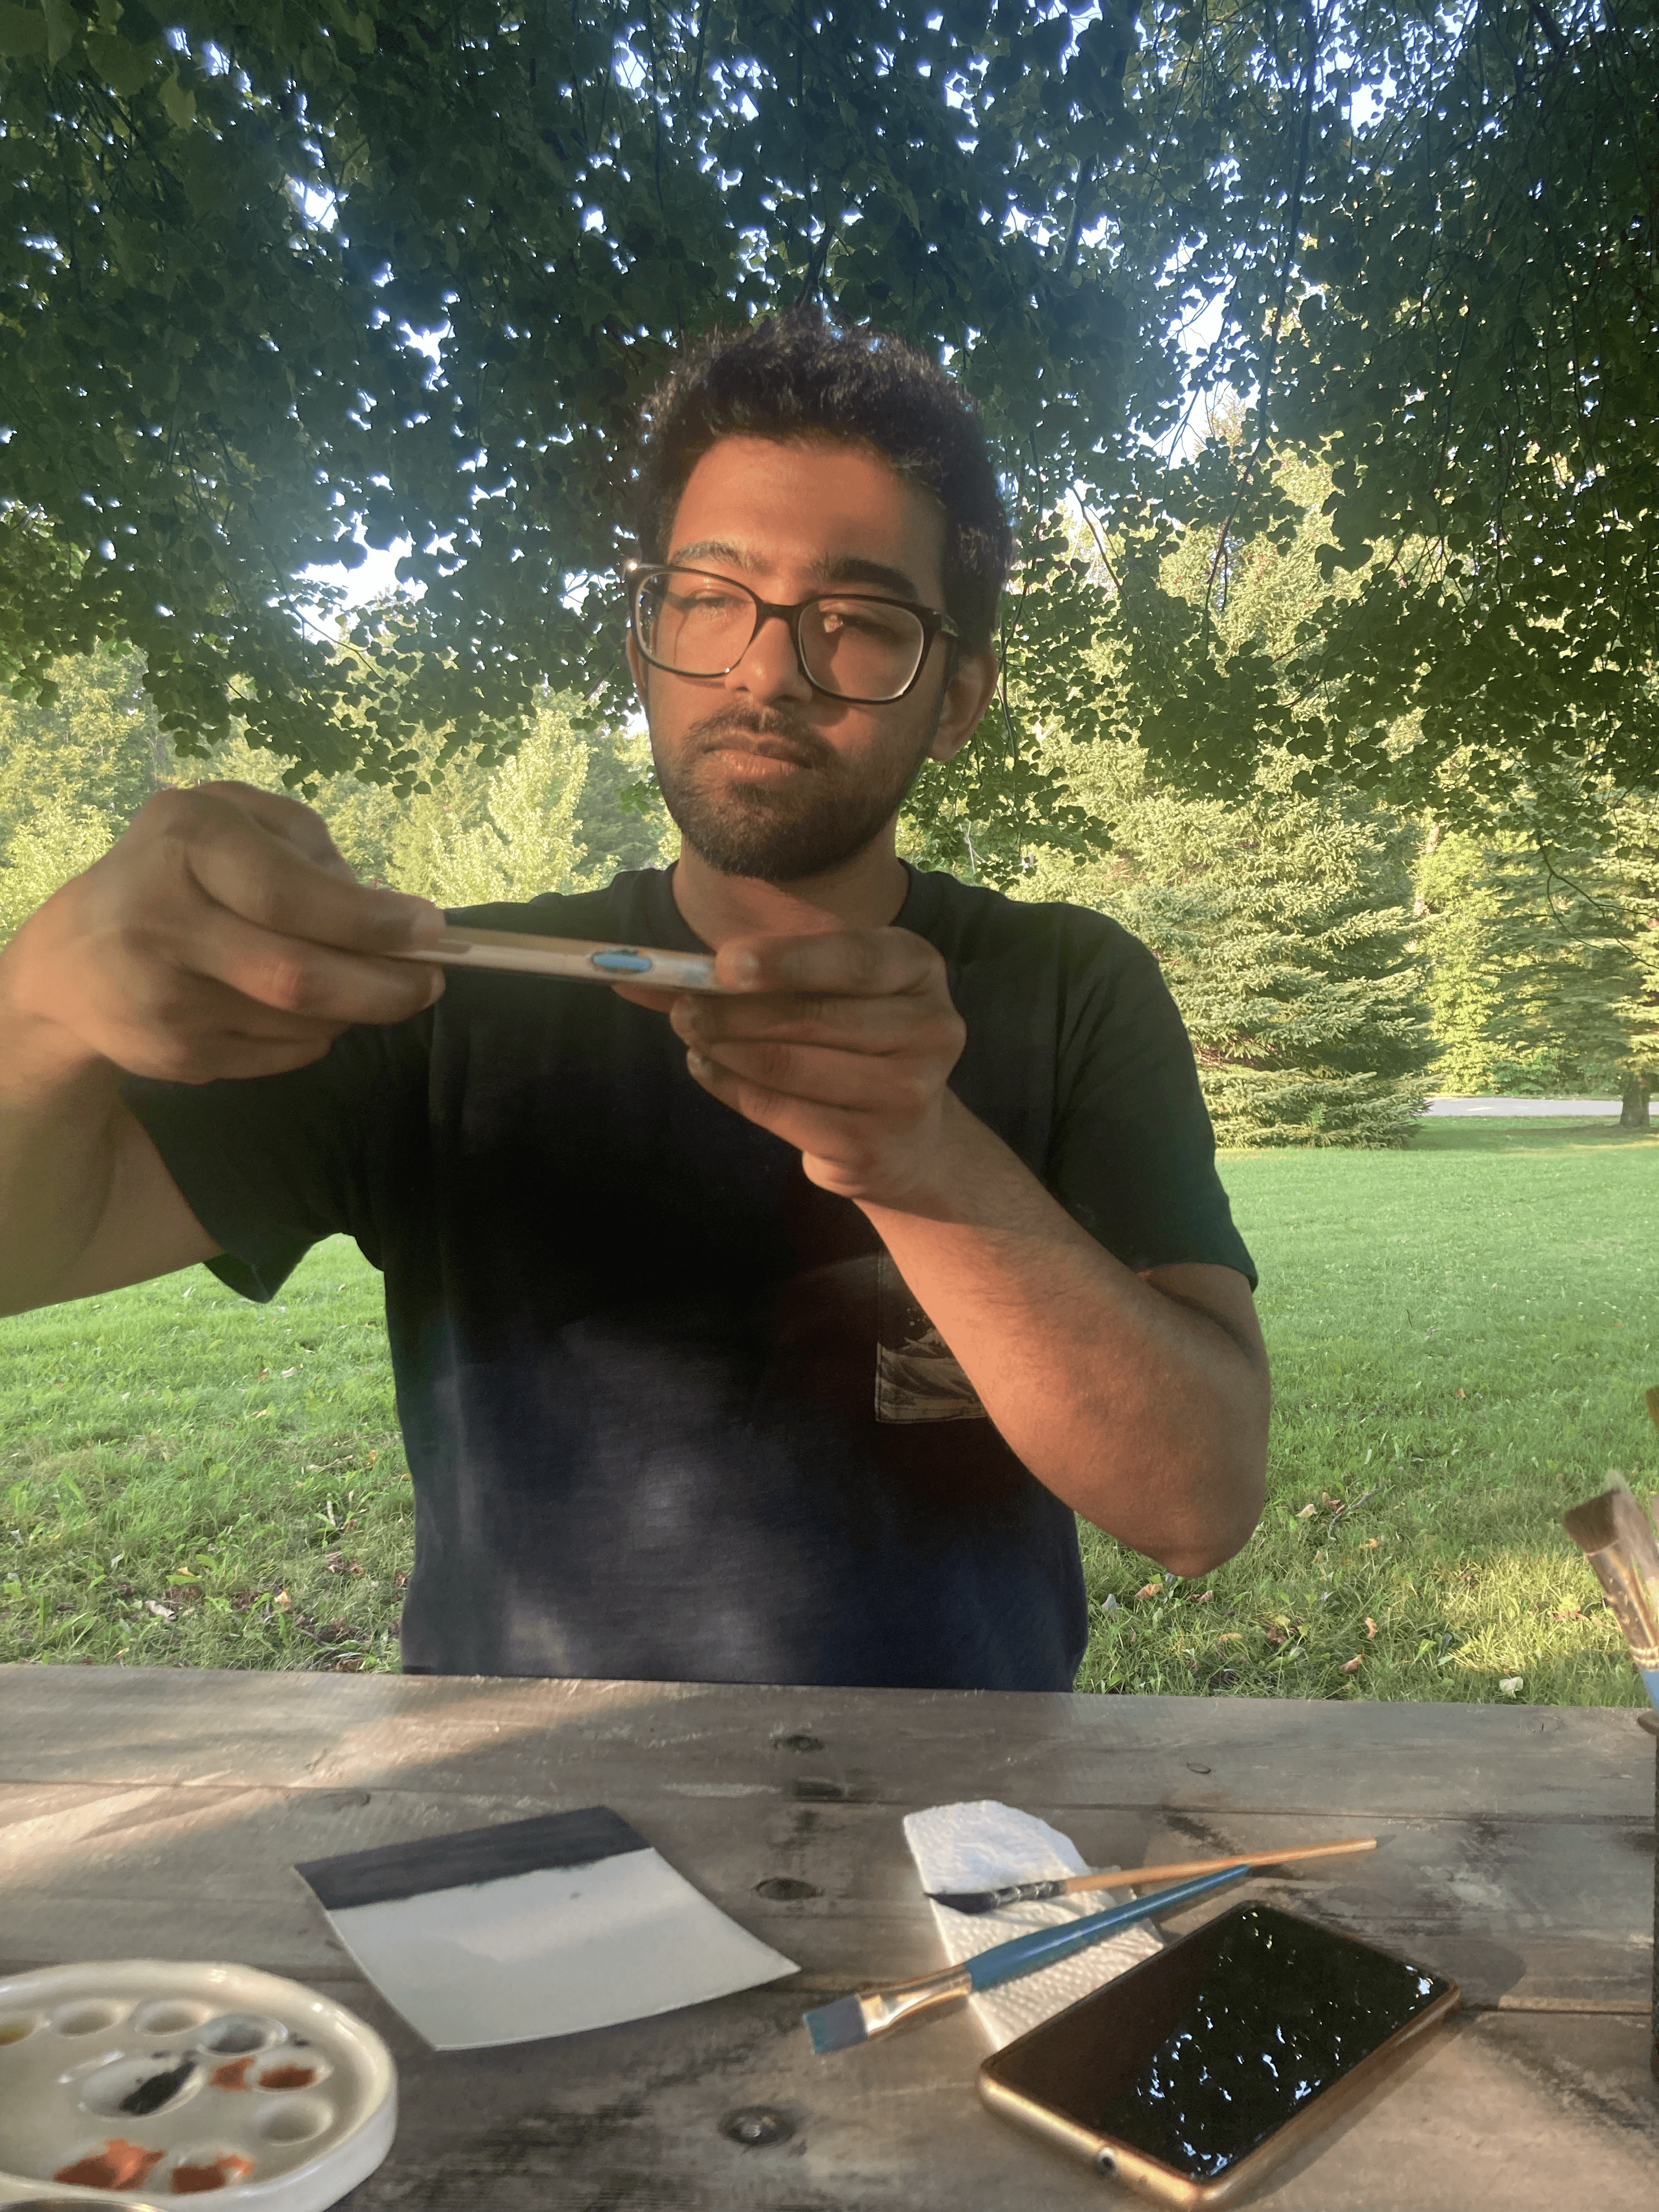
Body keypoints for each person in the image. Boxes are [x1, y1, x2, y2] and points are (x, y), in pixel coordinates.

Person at [0, 313, 1268, 1689]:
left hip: (954, 1846)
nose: (763, 668)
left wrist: (923, 1159)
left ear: (955, 696)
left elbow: (1195, 1503)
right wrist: (41, 1018)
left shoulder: (1073, 987)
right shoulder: (435, 1001)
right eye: (709, 597)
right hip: (520, 1837)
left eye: (856, 622)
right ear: (646, 638)